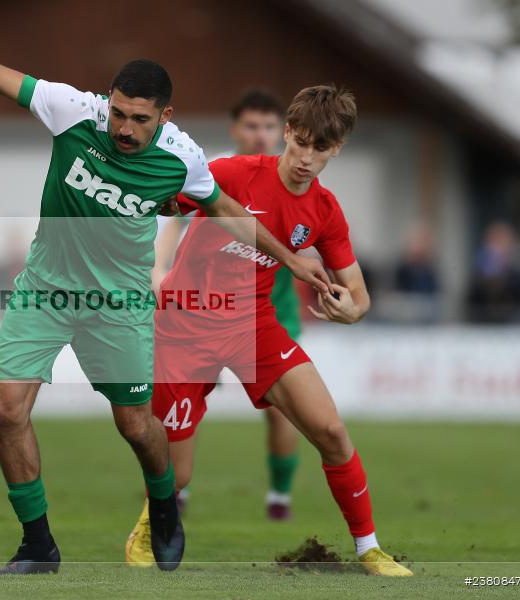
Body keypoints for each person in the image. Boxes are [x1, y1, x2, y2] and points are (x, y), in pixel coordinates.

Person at [0, 31, 330, 574]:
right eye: (118, 113)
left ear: (166, 115)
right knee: (5, 409)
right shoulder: (72, 109)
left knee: (137, 427)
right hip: (45, 290)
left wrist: (290, 259)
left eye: (139, 119)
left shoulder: (183, 158)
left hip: (119, 304)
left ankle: (164, 507)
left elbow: (229, 212)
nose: (124, 128)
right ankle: (38, 545)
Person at [125, 84, 413, 576]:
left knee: (331, 431)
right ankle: (149, 526)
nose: (305, 157)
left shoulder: (324, 211)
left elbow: (359, 294)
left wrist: (352, 311)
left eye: (319, 148)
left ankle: (369, 549)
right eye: (299, 142)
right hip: (183, 324)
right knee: (177, 475)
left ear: (336, 149)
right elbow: (163, 204)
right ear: (286, 133)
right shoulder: (233, 173)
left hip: (252, 326)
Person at [153, 89, 302, 521]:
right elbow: (173, 223)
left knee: (282, 408)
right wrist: (160, 269)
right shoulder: (216, 175)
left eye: (269, 127)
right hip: (204, 310)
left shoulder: (299, 178)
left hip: (271, 312)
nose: (261, 135)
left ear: (283, 131)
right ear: (235, 129)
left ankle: (280, 498)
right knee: (187, 404)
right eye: (252, 126)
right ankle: (178, 492)